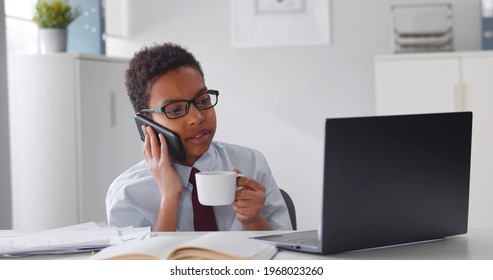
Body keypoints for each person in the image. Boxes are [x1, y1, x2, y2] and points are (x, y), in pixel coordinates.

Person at [106, 42, 292, 231]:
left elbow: (288, 255)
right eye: (175, 110)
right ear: (147, 121)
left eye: (203, 100)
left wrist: (252, 219)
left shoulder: (252, 164)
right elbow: (144, 260)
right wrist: (169, 197)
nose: (197, 117)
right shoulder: (126, 193)